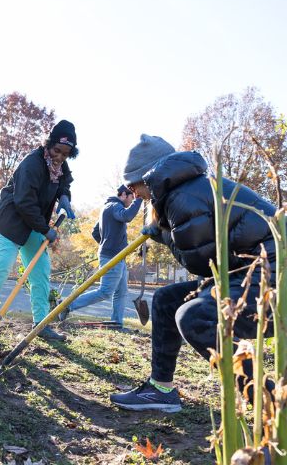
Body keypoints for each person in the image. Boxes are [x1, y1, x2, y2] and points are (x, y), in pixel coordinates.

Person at [109, 134, 276, 412]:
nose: (131, 190)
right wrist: (165, 230)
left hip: (273, 276)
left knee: (196, 316)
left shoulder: (183, 197)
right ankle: (160, 389)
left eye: (133, 182)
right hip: (247, 272)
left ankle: (270, 405)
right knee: (166, 300)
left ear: (150, 175)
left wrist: (164, 235)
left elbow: (199, 263)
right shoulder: (189, 188)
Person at [0, 120, 79, 343]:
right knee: (2, 267)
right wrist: (45, 230)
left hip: (33, 225)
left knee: (40, 271)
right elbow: (24, 202)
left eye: (66, 154)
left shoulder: (60, 166)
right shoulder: (32, 164)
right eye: (57, 150)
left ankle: (41, 325)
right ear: (48, 145)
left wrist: (64, 196)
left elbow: (64, 181)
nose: (60, 157)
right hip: (9, 223)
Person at [58, 184, 142, 327]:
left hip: (116, 256)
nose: (131, 201)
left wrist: (107, 244)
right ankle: (67, 305)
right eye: (131, 197)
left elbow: (95, 232)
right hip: (113, 256)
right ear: (123, 195)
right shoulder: (115, 206)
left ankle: (116, 322)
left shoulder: (107, 207)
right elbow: (127, 216)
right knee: (106, 291)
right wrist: (139, 200)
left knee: (121, 292)